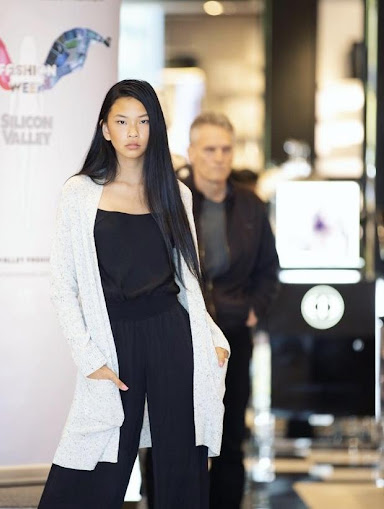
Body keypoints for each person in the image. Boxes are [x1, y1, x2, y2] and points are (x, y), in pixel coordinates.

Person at [37, 81, 230, 509]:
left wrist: (212, 337)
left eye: (143, 122)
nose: (132, 132)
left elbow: (188, 280)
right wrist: (89, 358)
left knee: (182, 463)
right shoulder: (79, 194)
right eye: (122, 121)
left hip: (172, 336)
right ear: (105, 129)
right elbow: (62, 285)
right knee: (92, 464)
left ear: (155, 129)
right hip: (114, 337)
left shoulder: (175, 194)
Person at [185, 113, 279, 509]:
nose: (219, 158)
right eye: (210, 149)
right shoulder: (171, 199)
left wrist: (253, 311)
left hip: (234, 335)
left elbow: (268, 269)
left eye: (226, 149)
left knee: (228, 435)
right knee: (176, 434)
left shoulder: (250, 206)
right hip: (183, 336)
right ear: (191, 153)